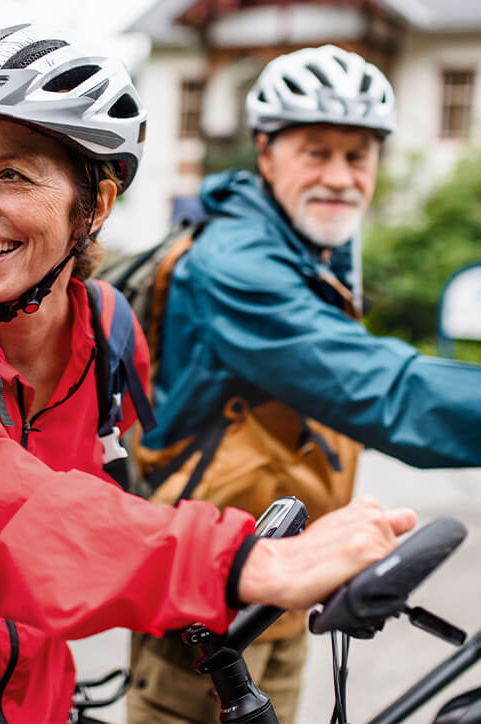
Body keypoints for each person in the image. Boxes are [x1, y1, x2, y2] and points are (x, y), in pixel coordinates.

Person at [0, 28, 415, 723]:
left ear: (95, 205)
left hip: (31, 705)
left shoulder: (108, 332)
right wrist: (242, 562)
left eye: (11, 173)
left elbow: (106, 502)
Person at [127, 44, 481, 724]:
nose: (340, 177)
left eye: (358, 156)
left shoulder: (309, 246)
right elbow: (386, 391)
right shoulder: (236, 266)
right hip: (208, 614)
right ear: (265, 155)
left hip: (282, 594)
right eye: (315, 152)